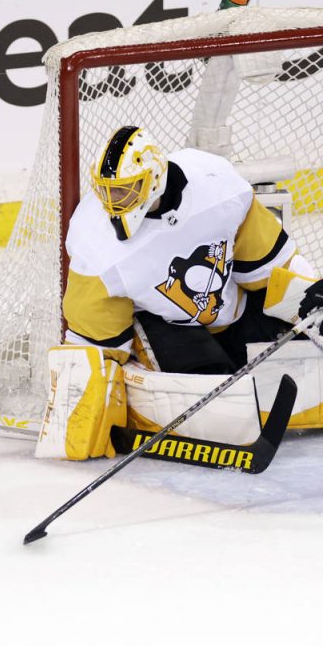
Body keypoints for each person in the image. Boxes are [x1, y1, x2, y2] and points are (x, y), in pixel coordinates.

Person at [36, 125, 323, 461]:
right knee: (217, 398)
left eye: (126, 190)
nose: (114, 203)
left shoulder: (217, 184)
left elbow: (269, 264)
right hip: (165, 326)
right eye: (108, 192)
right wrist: (78, 423)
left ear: (155, 178)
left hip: (232, 312)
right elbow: (95, 341)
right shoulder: (95, 241)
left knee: (307, 354)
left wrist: (309, 299)